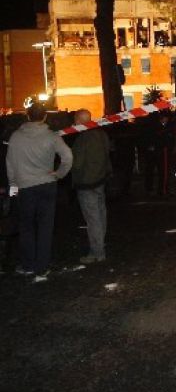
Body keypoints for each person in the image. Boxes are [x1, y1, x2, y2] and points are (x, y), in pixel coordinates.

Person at [6, 102, 72, 282]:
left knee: (26, 226)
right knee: (45, 226)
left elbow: (10, 164)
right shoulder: (52, 136)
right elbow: (68, 156)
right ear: (45, 116)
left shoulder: (16, 137)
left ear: (27, 116)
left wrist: (13, 186)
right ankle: (42, 266)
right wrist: (59, 173)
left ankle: (28, 265)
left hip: (25, 187)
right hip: (47, 185)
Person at [71, 109, 111, 264]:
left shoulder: (82, 138)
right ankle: (101, 243)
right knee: (101, 214)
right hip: (100, 180)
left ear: (79, 121)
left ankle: (97, 252)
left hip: (86, 183)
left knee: (92, 219)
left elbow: (77, 163)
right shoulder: (101, 134)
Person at [143, 112, 175, 196]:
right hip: (157, 152)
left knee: (160, 171)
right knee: (155, 171)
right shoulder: (156, 127)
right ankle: (156, 189)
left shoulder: (165, 127)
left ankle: (159, 189)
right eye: (166, 118)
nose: (167, 120)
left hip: (159, 151)